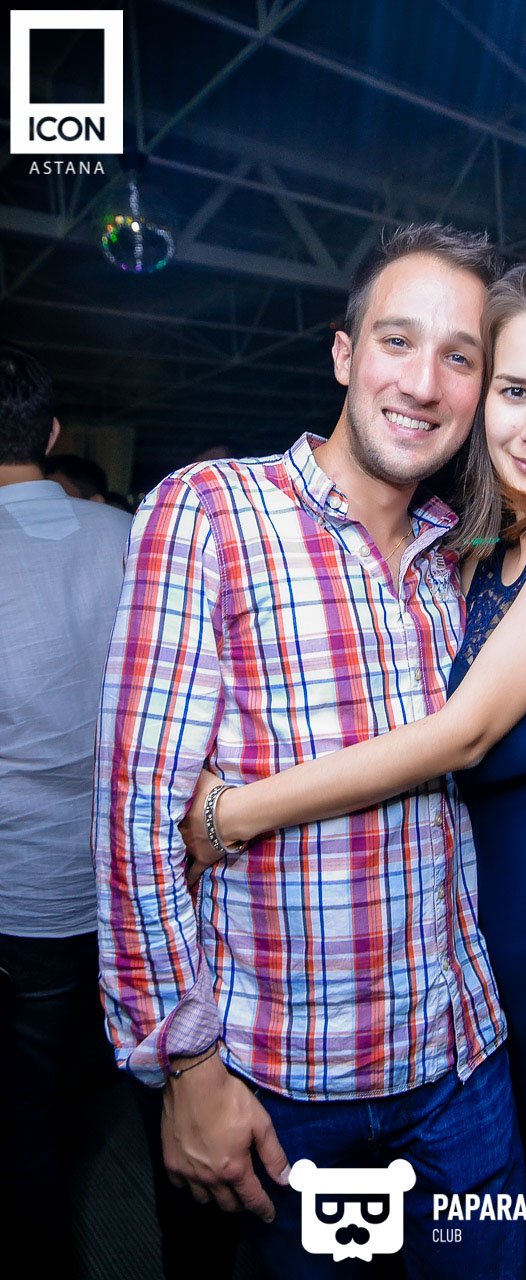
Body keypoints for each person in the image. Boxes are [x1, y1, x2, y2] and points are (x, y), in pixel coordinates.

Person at [94, 226, 526, 1280]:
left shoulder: (454, 555)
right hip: (292, 1076)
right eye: (396, 341)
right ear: (343, 353)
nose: (423, 383)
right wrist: (185, 1064)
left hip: (464, 1056)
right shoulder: (210, 512)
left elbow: (518, 732)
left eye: (460, 357)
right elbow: (132, 820)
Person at [0, 345, 132, 1269]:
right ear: (52, 433)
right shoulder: (126, 536)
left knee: (25, 1114)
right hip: (127, 875)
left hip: (18, 882)